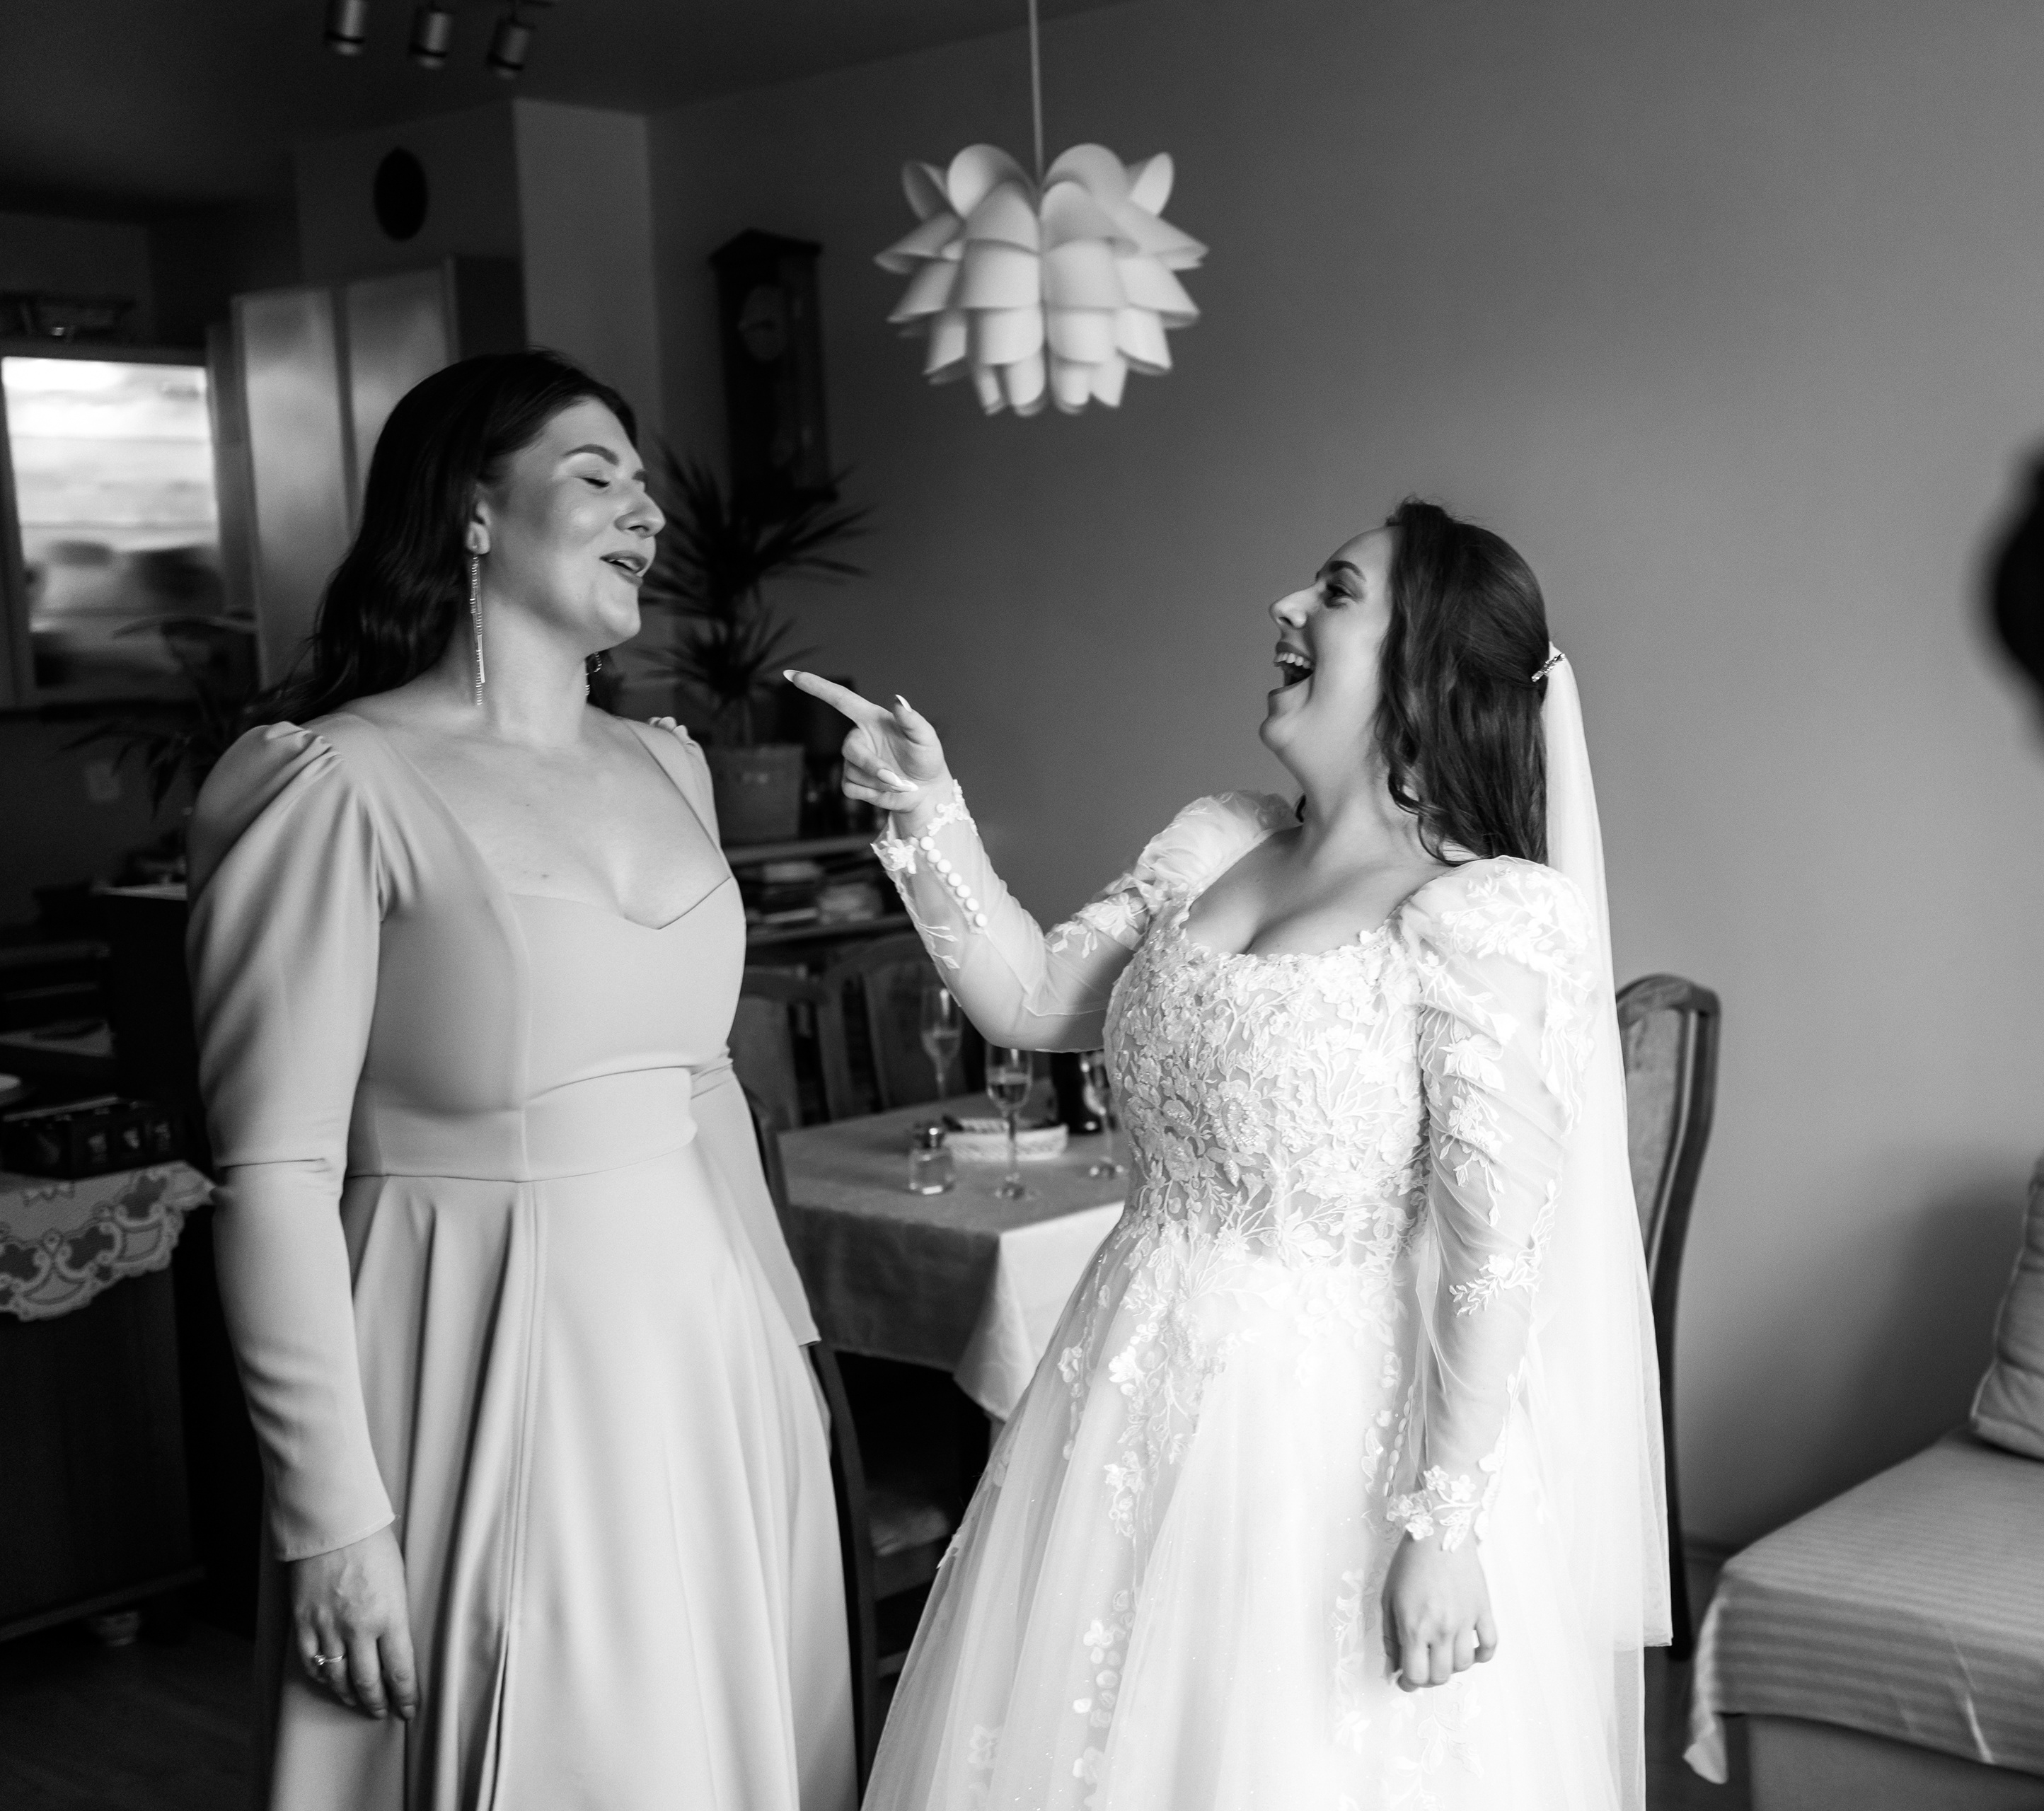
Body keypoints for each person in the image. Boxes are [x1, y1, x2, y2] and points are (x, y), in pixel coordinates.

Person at [792, 497, 1669, 1811]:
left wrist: (1444, 1524)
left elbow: (1496, 1254)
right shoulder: (1221, 842)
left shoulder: (1482, 914)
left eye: (1336, 592)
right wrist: (926, 811)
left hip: (1316, 1445)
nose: (1285, 607)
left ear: (1427, 666)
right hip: (1113, 1397)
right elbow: (1027, 998)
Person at [187, 351, 850, 1811]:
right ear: (472, 514)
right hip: (471, 1334)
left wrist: (793, 1355)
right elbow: (275, 1172)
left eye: (646, 485)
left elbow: (705, 1083)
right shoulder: (336, 784)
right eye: (596, 475)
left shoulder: (672, 768)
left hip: (708, 1353)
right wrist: (329, 1513)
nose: (647, 514)